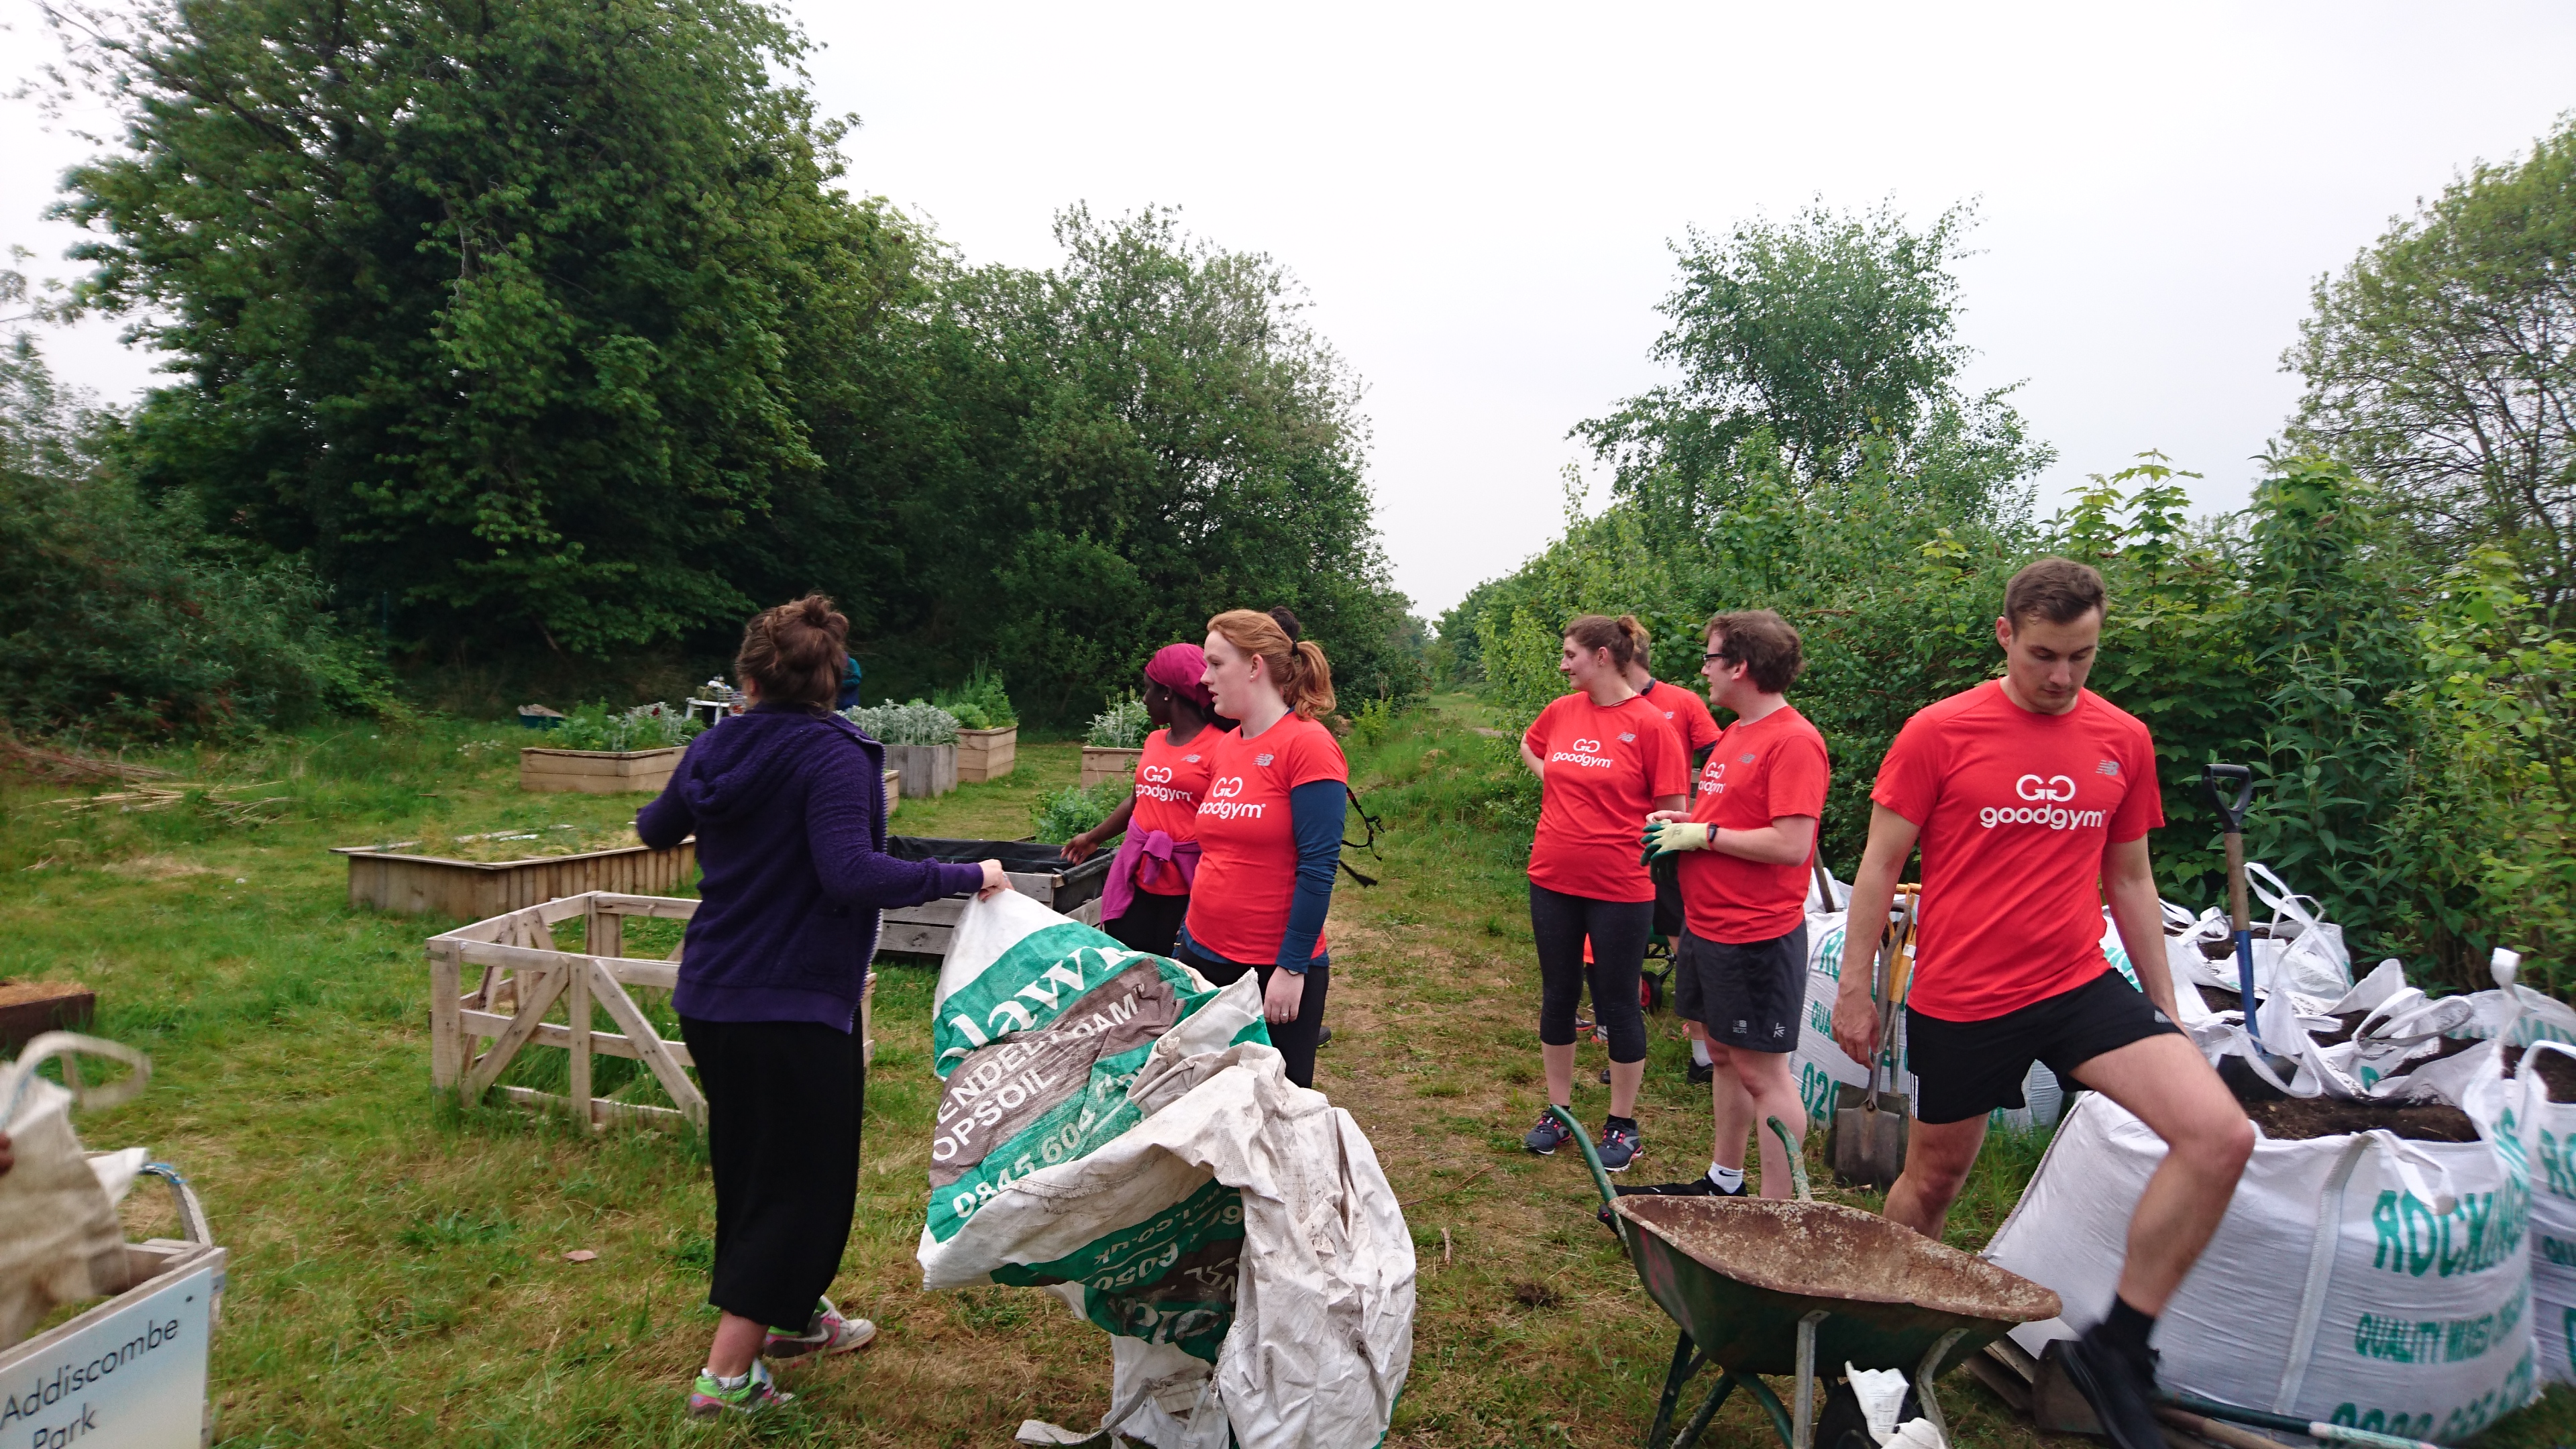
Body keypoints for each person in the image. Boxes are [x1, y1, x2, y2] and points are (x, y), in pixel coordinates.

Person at [1827, 559, 2253, 1449]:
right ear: (2006, 636)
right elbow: (1877, 866)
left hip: (2074, 982)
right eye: (2046, 656)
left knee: (2221, 1136)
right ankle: (1871, 1366)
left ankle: (2118, 1351)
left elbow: (2130, 878)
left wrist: (2168, 1004)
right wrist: (1854, 988)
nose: (2063, 677)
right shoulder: (1940, 733)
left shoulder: (2122, 739)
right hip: (1965, 994)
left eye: (2083, 657)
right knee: (1935, 1181)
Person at [636, 594, 1009, 1419]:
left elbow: (655, 828)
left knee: (753, 1164)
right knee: (798, 1181)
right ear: (834, 683)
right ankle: (727, 1379)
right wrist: (968, 875)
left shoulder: (715, 744)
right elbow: (852, 873)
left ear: (749, 675)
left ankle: (794, 1315)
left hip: (714, 992)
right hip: (791, 998)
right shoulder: (832, 757)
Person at [1628, 610, 1829, 1201]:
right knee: (1721, 1053)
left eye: (1711, 658)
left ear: (1740, 666)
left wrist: (1707, 838)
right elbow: (1740, 820)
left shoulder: (1793, 740)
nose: (1704, 671)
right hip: (1710, 924)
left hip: (1756, 935)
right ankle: (1726, 1182)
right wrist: (1687, 823)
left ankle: (1777, 1216)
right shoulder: (1738, 732)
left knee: (1766, 1076)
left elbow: (1793, 845)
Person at [1516, 615, 1690, 1171]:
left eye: (1570, 654)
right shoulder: (1562, 711)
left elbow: (1675, 813)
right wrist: (1553, 777)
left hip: (1619, 886)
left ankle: (1622, 1123)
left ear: (1603, 657)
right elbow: (1531, 743)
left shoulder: (1650, 725)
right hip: (1552, 877)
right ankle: (1559, 1111)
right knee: (1558, 994)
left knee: (1618, 1000)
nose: (1563, 664)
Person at [1175, 607, 1346, 1090]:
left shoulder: (1308, 745)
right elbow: (1217, 852)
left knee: (1275, 1113)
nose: (1203, 677)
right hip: (1203, 954)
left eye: (1215, 664)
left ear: (1254, 667)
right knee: (1204, 1104)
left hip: (1272, 968)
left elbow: (1318, 867)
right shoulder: (1227, 747)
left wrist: (1292, 967)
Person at [1065, 643, 1230, 955]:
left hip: (1188, 885)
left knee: (1178, 973)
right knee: (1130, 964)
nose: (1143, 699)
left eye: (1147, 689)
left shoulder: (1222, 746)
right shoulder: (1155, 741)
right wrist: (1092, 838)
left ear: (1167, 692)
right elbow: (1137, 800)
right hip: (1139, 879)